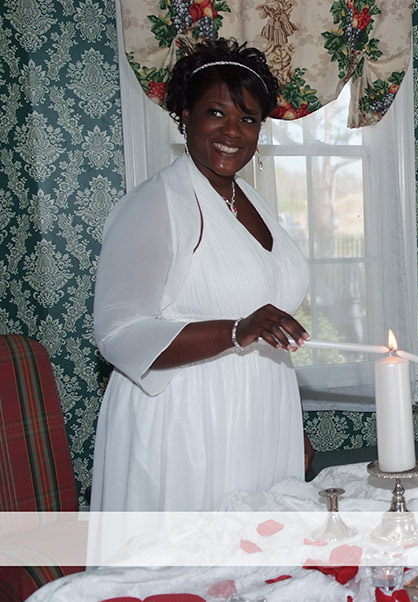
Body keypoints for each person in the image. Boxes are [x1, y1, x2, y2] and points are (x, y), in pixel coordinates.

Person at [92, 39, 314, 511]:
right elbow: (117, 334)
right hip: (185, 426)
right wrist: (235, 330)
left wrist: (292, 426)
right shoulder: (155, 203)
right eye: (216, 113)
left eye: (248, 119)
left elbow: (268, 334)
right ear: (185, 115)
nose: (232, 131)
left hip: (260, 414)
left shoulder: (254, 202)